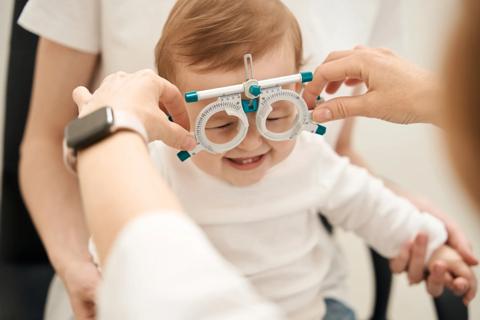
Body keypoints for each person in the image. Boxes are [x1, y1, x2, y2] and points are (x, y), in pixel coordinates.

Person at [16, 0, 475, 318]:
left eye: (277, 115)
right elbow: (116, 249)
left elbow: (370, 204)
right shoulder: (155, 165)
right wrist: (90, 272)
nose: (252, 142)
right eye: (221, 125)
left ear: (300, 94)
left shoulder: (311, 156)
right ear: (173, 109)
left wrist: (431, 242)